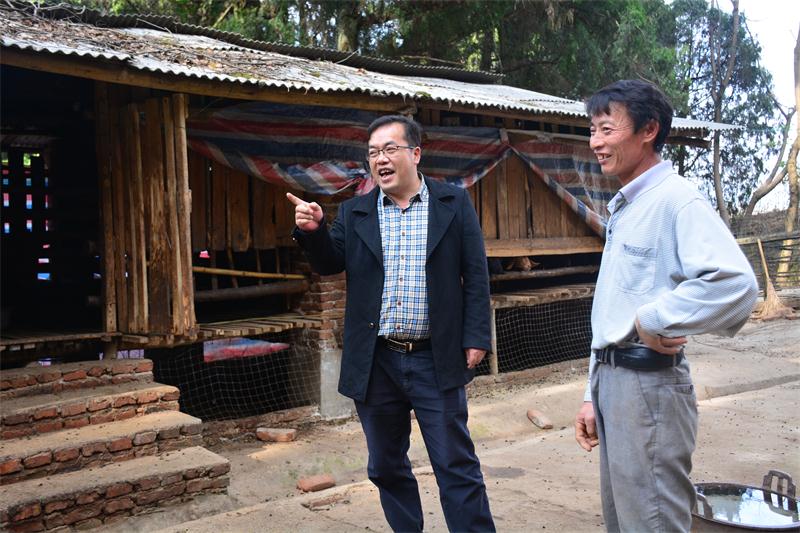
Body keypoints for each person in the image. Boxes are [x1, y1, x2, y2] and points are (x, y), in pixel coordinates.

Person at [287, 115, 495, 533]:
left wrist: (476, 335)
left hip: (435, 357)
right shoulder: (356, 211)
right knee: (385, 465)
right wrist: (314, 231)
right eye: (372, 153)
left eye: (389, 149)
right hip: (377, 360)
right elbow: (329, 262)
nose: (379, 159)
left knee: (454, 463)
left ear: (415, 154)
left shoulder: (453, 203)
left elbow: (475, 274)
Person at [573, 79, 758, 532]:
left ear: (649, 130)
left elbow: (736, 284)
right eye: (593, 130)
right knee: (624, 521)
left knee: (652, 522)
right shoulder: (627, 206)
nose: (595, 143)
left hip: (650, 387)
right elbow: (614, 307)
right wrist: (592, 395)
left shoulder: (676, 200)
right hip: (614, 382)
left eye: (607, 129)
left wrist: (654, 317)